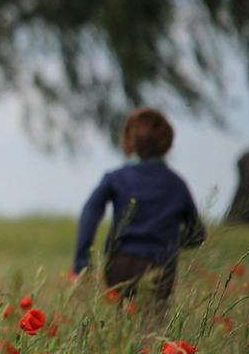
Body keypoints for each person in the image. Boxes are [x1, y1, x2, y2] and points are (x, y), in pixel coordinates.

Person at [72, 107, 206, 308]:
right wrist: (170, 242)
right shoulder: (176, 184)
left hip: (120, 265)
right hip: (160, 267)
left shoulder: (116, 178)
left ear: (128, 140)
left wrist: (82, 263)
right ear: (167, 142)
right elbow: (197, 234)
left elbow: (89, 213)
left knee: (122, 324)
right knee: (152, 329)